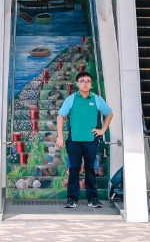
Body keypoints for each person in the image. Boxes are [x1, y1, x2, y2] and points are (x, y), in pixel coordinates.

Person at [56, 70, 112, 209]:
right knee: (74, 169)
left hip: (91, 141)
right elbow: (60, 116)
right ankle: (72, 199)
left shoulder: (96, 99)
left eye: (87, 81)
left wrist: (103, 130)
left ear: (91, 84)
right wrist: (60, 136)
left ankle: (93, 199)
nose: (85, 83)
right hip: (74, 141)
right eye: (82, 81)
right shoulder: (71, 99)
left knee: (90, 169)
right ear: (77, 84)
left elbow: (109, 113)